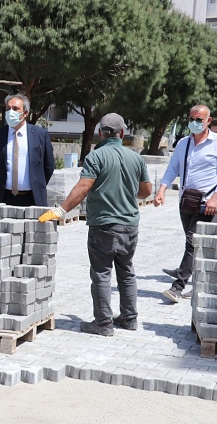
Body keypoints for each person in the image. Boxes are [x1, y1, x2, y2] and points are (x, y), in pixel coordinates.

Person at [39, 113, 152, 336]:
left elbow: (83, 188)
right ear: (122, 133)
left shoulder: (96, 156)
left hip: (104, 225)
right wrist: (126, 193)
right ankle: (129, 318)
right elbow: (146, 191)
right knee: (127, 271)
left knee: (101, 273)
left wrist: (61, 210)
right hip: (130, 224)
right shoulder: (136, 158)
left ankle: (103, 323)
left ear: (100, 133)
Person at [154, 105, 217, 303]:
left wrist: (216, 197)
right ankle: (201, 282)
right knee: (194, 245)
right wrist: (162, 191)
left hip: (206, 202)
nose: (194, 122)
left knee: (192, 242)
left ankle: (177, 287)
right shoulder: (183, 143)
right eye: (192, 118)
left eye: (199, 119)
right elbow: (172, 169)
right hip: (186, 202)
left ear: (208, 120)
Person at [0, 93, 54, 206]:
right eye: (8, 108)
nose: (10, 112)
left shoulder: (40, 135)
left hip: (33, 198)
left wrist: (37, 184)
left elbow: (49, 166)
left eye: (15, 109)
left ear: (25, 113)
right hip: (4, 197)